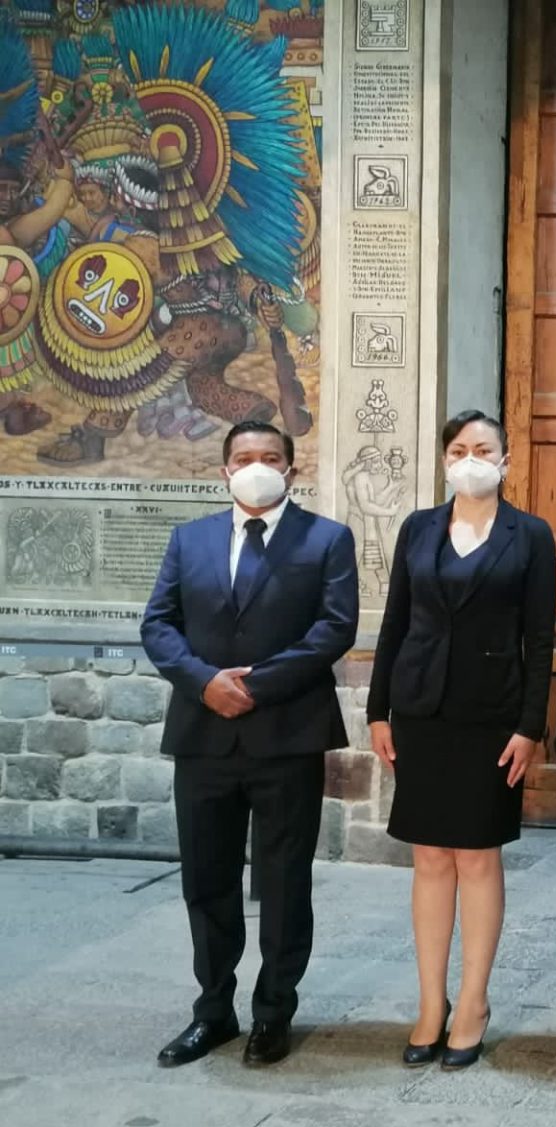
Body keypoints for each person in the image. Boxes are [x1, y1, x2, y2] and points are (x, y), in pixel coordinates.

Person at [141, 421, 359, 1068]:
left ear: (292, 470)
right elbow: (158, 624)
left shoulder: (326, 539)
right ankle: (213, 1012)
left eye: (270, 457)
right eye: (244, 458)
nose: (256, 466)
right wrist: (204, 682)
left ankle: (273, 1013)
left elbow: (335, 627)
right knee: (207, 881)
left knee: (284, 881)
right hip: (203, 735)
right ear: (223, 471)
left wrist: (256, 686)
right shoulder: (190, 540)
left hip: (286, 734)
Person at [367, 410, 556, 1070]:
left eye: (483, 448)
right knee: (429, 859)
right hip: (420, 710)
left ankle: (473, 1002)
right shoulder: (419, 528)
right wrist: (378, 711)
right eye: (459, 448)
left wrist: (531, 726)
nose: (471, 458)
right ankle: (430, 1002)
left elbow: (539, 638)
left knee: (475, 858)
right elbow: (395, 623)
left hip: (491, 718)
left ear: (505, 461)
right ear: (445, 460)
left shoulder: (529, 535)